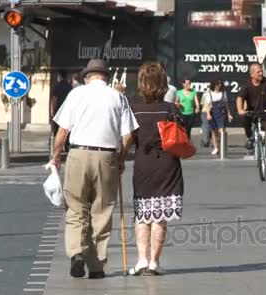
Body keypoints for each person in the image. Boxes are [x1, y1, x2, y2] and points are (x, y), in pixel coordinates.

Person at [50, 59, 139, 279]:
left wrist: (56, 156)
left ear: (87, 77)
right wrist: (121, 158)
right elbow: (128, 136)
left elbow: (62, 132)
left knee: (76, 207)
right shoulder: (118, 97)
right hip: (106, 155)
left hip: (78, 154)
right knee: (102, 210)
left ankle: (76, 253)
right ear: (106, 77)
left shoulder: (76, 94)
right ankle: (97, 265)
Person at [123, 62, 184, 276]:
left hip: (143, 165)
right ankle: (155, 262)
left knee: (142, 215)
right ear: (163, 85)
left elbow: (128, 138)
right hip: (167, 165)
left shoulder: (134, 109)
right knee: (160, 216)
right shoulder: (170, 109)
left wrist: (120, 159)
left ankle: (141, 260)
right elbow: (181, 133)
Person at [236, 63, 266, 172]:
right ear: (252, 74)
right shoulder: (246, 85)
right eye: (258, 72)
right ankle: (250, 137)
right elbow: (239, 98)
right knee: (244, 118)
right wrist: (240, 110)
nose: (261, 73)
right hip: (253, 112)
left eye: (261, 71)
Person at [203, 79, 233, 155]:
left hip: (221, 113)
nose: (219, 86)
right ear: (214, 85)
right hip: (213, 113)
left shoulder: (223, 93)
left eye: (220, 84)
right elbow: (207, 105)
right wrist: (208, 114)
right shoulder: (209, 93)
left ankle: (222, 146)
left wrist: (229, 114)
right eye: (217, 84)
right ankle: (216, 147)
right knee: (213, 131)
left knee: (221, 130)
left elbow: (226, 104)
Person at [50, 71, 73, 137]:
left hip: (59, 110)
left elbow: (54, 99)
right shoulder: (70, 86)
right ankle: (66, 146)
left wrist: (52, 111)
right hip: (67, 111)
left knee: (57, 130)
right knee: (66, 129)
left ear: (59, 76)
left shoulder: (57, 86)